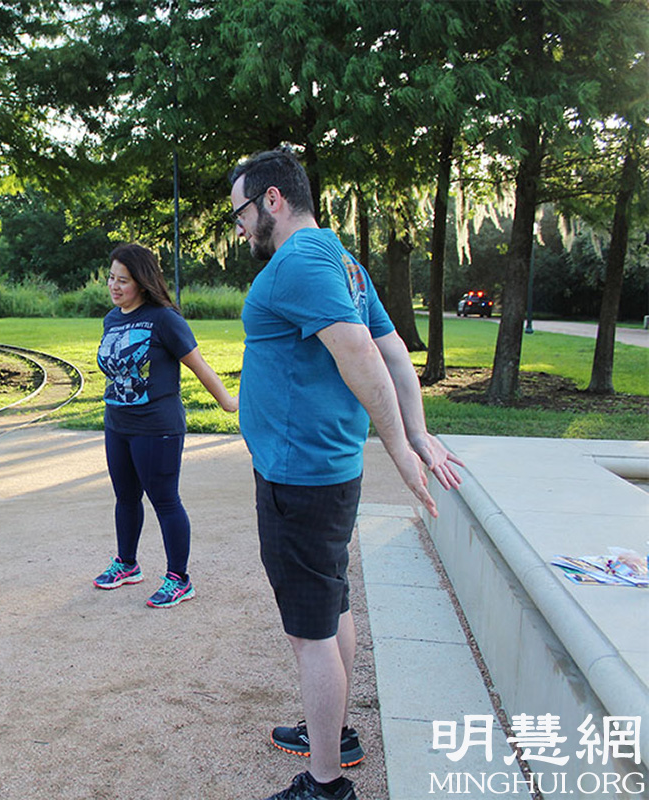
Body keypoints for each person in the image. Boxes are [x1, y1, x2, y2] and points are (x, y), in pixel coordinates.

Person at [230, 149, 463, 800]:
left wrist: (403, 448)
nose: (239, 228)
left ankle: (326, 783)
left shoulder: (300, 261)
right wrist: (415, 431)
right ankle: (331, 732)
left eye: (240, 213)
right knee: (332, 606)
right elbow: (394, 350)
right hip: (322, 471)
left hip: (299, 476)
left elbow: (364, 352)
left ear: (272, 200)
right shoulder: (342, 259)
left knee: (310, 634)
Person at [93, 243, 238, 608]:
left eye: (123, 280)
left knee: (165, 500)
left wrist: (228, 402)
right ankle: (127, 564)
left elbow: (199, 365)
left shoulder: (164, 319)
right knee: (126, 497)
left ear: (142, 282)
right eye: (111, 278)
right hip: (118, 423)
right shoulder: (112, 319)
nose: (114, 286)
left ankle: (179, 579)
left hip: (157, 427)